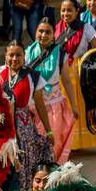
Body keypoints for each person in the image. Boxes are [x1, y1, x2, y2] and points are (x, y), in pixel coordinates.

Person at [55, 0, 96, 150]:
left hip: (78, 72)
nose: (65, 14)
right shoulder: (57, 28)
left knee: (79, 106)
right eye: (63, 10)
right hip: (59, 72)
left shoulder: (86, 28)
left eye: (69, 10)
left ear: (77, 11)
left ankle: (75, 142)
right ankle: (64, 141)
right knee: (61, 108)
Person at [1, 40, 54, 188]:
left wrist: (49, 130)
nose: (14, 59)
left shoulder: (33, 76)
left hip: (24, 130)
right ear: (5, 56)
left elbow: (40, 105)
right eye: (11, 55)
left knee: (24, 163)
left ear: (24, 57)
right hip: (3, 127)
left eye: (18, 55)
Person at [26, 16, 77, 164]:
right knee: (35, 142)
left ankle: (50, 171)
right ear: (35, 32)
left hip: (55, 106)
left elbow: (67, 81)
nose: (43, 35)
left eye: (48, 32)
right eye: (40, 31)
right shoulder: (28, 53)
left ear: (53, 34)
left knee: (53, 142)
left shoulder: (60, 53)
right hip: (33, 106)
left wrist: (73, 105)